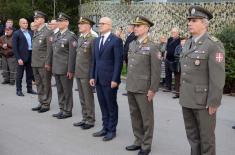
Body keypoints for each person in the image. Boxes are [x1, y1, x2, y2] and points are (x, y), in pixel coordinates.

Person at [180, 6, 225, 155]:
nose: (189, 23)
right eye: (189, 21)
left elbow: (217, 77)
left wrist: (214, 101)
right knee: (193, 137)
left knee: (206, 140)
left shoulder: (213, 45)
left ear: (205, 24)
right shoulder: (188, 43)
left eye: (194, 20)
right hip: (187, 99)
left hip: (204, 101)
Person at [125, 16, 161, 155]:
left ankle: (146, 145)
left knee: (146, 118)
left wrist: (153, 89)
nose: (135, 28)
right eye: (134, 26)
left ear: (146, 28)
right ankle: (137, 140)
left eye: (138, 26)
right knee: (135, 115)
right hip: (131, 85)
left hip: (144, 88)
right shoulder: (132, 44)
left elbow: (156, 71)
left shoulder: (153, 46)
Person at [90, 17, 123, 141]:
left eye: (102, 24)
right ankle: (105, 127)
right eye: (99, 24)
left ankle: (111, 130)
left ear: (110, 25)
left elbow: (118, 62)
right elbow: (94, 60)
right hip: (98, 78)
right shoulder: (97, 40)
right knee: (103, 104)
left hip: (110, 80)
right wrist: (92, 76)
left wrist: (115, 79)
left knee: (111, 105)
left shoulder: (116, 40)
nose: (100, 25)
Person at [46, 12, 77, 119]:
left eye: (61, 21)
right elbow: (53, 52)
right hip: (56, 68)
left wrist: (71, 70)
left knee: (67, 90)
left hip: (65, 69)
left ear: (66, 22)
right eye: (58, 21)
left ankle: (68, 111)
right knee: (59, 90)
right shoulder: (56, 35)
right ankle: (62, 108)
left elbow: (72, 55)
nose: (58, 23)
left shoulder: (71, 36)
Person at [73, 17, 96, 130]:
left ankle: (90, 120)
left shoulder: (92, 38)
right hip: (79, 72)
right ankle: (84, 118)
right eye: (79, 24)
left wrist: (92, 75)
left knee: (88, 98)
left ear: (88, 26)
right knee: (82, 97)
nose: (79, 26)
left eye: (82, 24)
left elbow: (93, 59)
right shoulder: (81, 38)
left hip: (87, 73)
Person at [31, 11, 53, 113]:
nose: (35, 20)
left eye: (37, 18)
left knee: (46, 84)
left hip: (43, 63)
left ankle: (46, 103)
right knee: (38, 84)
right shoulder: (36, 31)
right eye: (34, 18)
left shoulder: (48, 32)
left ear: (43, 20)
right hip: (35, 62)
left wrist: (48, 63)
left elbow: (49, 50)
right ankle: (41, 101)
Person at [12, 18, 36, 96]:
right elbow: (14, 47)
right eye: (23, 23)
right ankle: (18, 90)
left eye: (26, 23)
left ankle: (29, 89)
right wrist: (18, 58)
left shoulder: (30, 32)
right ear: (20, 24)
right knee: (19, 75)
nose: (25, 24)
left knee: (29, 74)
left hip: (30, 55)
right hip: (21, 57)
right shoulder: (16, 33)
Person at [164, 27, 180, 92]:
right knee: (168, 74)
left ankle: (176, 89)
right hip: (167, 59)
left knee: (176, 75)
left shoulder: (179, 40)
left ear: (178, 33)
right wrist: (165, 56)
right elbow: (166, 48)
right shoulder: (169, 39)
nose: (172, 33)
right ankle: (168, 87)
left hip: (174, 60)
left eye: (174, 32)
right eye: (172, 32)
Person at [122, 24, 137, 96]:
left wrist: (125, 57)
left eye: (128, 27)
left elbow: (128, 48)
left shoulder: (132, 36)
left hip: (129, 58)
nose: (127, 28)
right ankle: (129, 90)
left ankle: (130, 91)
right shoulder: (131, 35)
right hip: (128, 57)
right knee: (130, 74)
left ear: (132, 28)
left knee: (131, 75)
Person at [47, 19, 59, 87]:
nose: (50, 25)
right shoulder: (51, 33)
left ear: (57, 24)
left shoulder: (59, 33)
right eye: (50, 24)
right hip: (52, 55)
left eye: (52, 24)